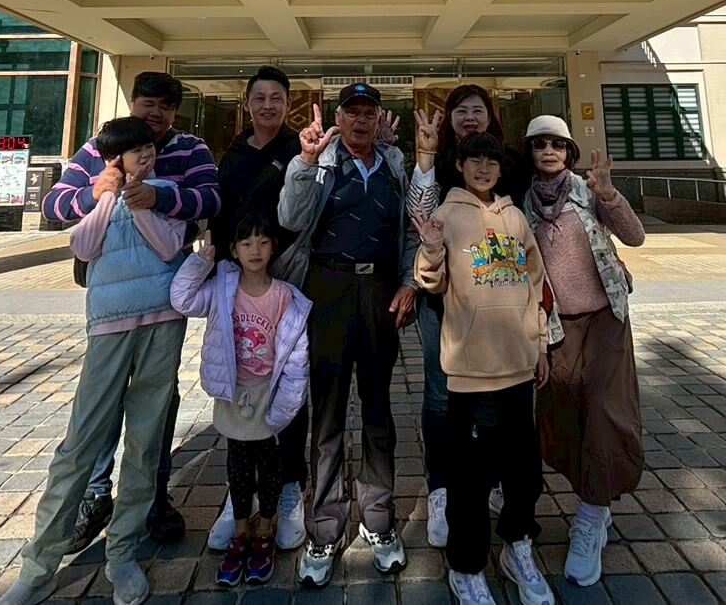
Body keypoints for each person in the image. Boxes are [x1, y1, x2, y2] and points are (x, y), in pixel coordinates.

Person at [0, 117, 188, 605]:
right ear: (113, 158)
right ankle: (39, 567)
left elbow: (170, 246)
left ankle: (122, 554)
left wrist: (143, 200)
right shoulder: (96, 192)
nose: (146, 156)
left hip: (162, 322)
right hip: (108, 325)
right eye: (135, 151)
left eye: (148, 148)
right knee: (80, 442)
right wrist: (105, 195)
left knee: (145, 443)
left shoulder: (166, 190)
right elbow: (82, 246)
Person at [42, 71, 221, 552]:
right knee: (100, 403)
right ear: (135, 102)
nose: (157, 112)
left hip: (164, 298)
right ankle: (95, 493)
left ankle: (152, 495)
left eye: (167, 106)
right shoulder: (100, 146)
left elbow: (210, 198)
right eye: (149, 102)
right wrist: (94, 192)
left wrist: (158, 196)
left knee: (158, 399)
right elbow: (54, 206)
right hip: (110, 305)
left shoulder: (190, 148)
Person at [276, 83, 417, 588]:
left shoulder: (394, 165)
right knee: (329, 410)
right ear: (338, 117)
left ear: (379, 119)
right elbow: (290, 218)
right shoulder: (319, 160)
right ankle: (324, 527)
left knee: (378, 409)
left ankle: (379, 519)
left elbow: (410, 230)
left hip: (379, 290)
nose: (360, 120)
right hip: (328, 287)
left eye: (368, 113)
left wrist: (408, 281)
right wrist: (305, 163)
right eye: (351, 112)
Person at [414, 132, 555, 605]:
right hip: (471, 376)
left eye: (491, 161)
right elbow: (430, 281)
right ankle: (467, 567)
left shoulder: (515, 217)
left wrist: (540, 345)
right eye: (474, 159)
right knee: (470, 483)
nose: (482, 168)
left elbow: (534, 284)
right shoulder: (446, 215)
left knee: (523, 476)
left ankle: (518, 547)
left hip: (519, 369)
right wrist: (431, 247)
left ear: (500, 168)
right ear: (459, 165)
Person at [521, 115, 646, 587]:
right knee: (561, 409)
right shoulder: (522, 204)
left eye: (557, 144)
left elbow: (634, 237)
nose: (549, 152)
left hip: (605, 318)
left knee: (606, 410)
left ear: (570, 152)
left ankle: (591, 516)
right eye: (540, 145)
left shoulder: (588, 191)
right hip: (557, 325)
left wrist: (609, 195)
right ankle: (594, 494)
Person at [405, 85, 527, 546]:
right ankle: (441, 487)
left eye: (478, 110)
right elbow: (418, 218)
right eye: (461, 111)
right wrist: (425, 155)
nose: (469, 117)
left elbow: (528, 230)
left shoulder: (509, 165)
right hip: (442, 302)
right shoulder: (437, 163)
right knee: (441, 395)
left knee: (497, 395)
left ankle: (491, 478)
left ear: (491, 116)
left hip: (498, 304)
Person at [171, 212, 312, 587]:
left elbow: (296, 358)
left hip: (266, 393)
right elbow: (182, 299)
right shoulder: (222, 288)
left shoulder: (285, 297)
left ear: (273, 248)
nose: (255, 250)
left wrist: (286, 404)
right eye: (246, 243)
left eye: (263, 242)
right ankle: (239, 530)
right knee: (237, 463)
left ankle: (265, 528)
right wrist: (202, 261)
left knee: (269, 464)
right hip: (234, 392)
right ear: (233, 250)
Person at [206, 66, 308, 552]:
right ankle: (240, 499)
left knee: (288, 384)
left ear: (288, 104)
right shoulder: (233, 155)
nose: (268, 106)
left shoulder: (299, 150)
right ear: (247, 103)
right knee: (241, 382)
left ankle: (288, 489)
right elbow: (220, 218)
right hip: (240, 286)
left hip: (287, 282)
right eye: (260, 98)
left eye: (277, 98)